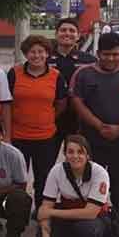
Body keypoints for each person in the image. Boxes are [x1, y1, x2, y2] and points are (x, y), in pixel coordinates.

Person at [71, 32, 119, 237]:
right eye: (106, 54)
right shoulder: (84, 74)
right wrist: (98, 125)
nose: (111, 59)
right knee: (88, 181)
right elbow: (77, 102)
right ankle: (87, 221)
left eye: (115, 54)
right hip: (91, 140)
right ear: (98, 54)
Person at [36, 134, 113, 237]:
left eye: (80, 152)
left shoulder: (100, 173)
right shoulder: (57, 171)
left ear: (88, 155)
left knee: (86, 228)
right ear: (64, 154)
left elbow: (90, 213)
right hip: (68, 212)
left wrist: (52, 213)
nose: (75, 156)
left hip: (95, 219)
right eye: (70, 152)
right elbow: (44, 208)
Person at [8, 35, 68, 210]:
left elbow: (61, 104)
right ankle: (17, 212)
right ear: (26, 54)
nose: (37, 55)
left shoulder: (56, 76)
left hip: (46, 137)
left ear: (47, 54)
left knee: (44, 178)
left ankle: (41, 212)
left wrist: (46, 118)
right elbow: (6, 102)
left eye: (41, 52)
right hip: (18, 136)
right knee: (18, 178)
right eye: (32, 52)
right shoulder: (14, 73)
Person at [47, 18, 97, 152]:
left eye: (72, 31)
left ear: (78, 36)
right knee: (46, 164)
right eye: (63, 30)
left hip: (79, 121)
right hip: (51, 119)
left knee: (77, 162)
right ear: (56, 34)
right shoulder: (44, 59)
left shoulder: (89, 61)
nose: (67, 33)